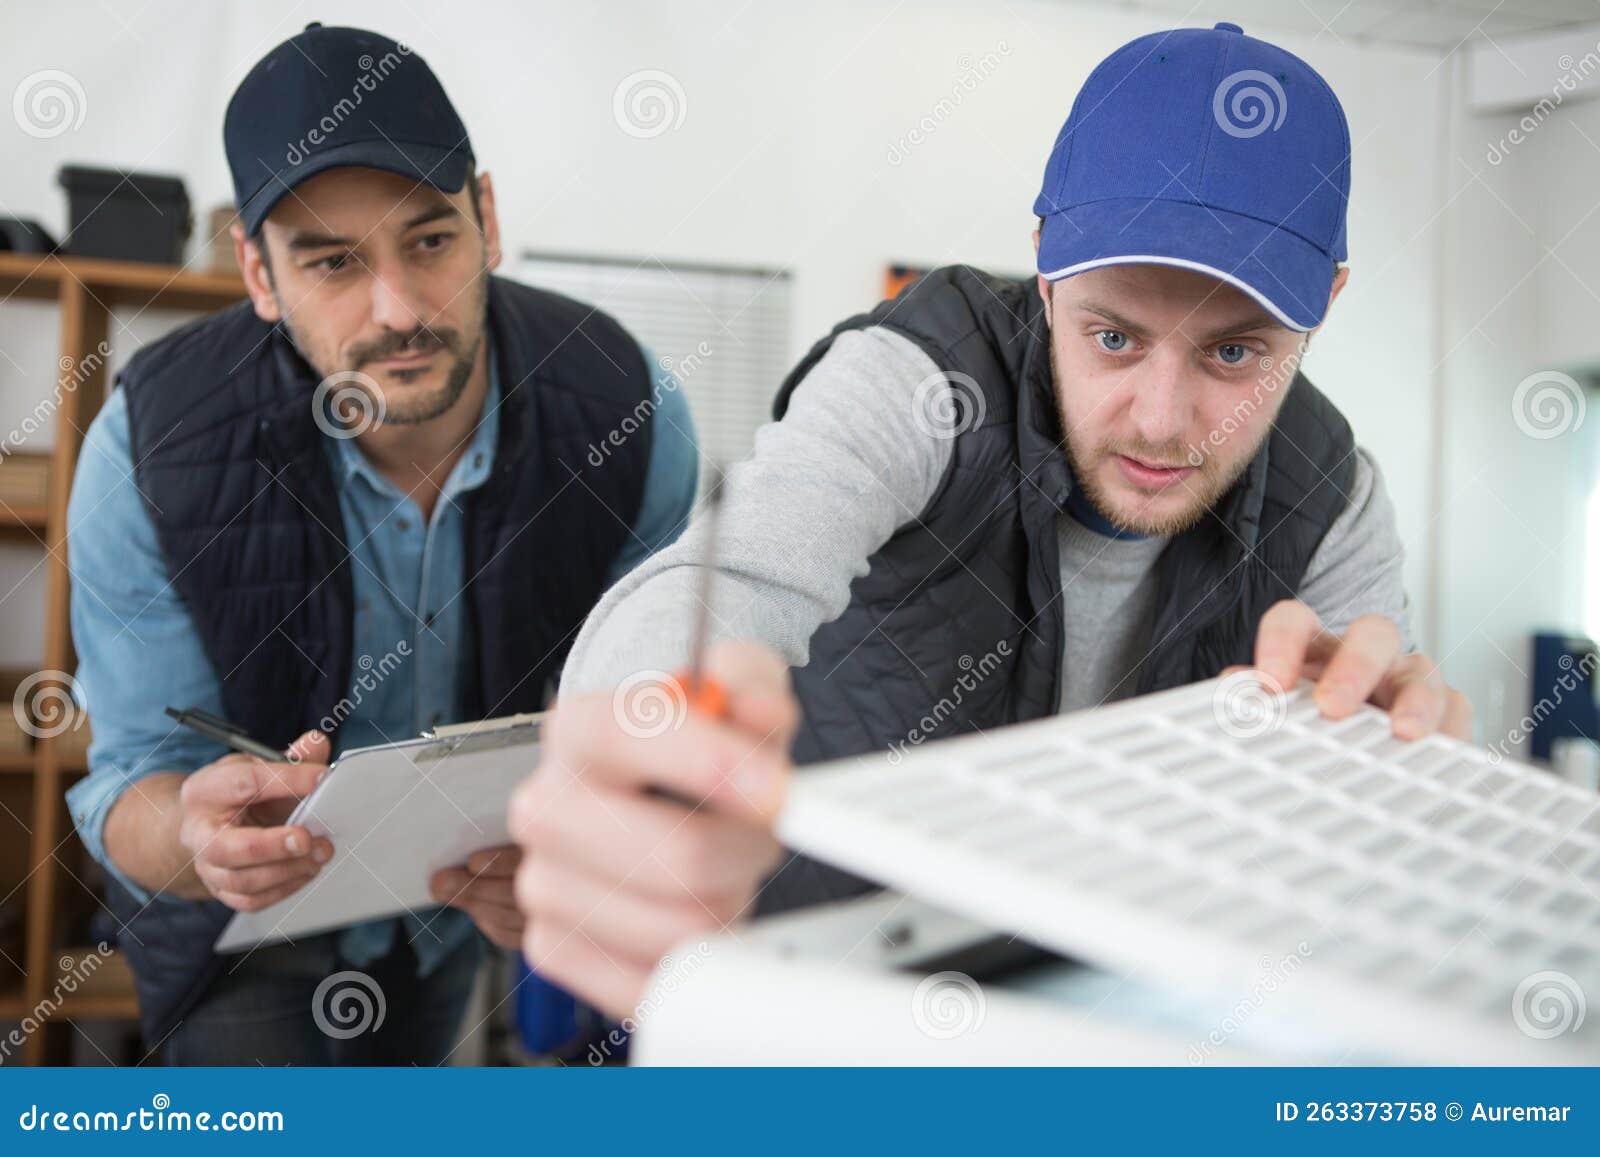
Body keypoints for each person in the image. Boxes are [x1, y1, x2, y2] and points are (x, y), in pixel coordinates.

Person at [509, 21, 1473, 1022]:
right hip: (813, 1000)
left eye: (1233, 356)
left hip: (1085, 1024)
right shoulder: (923, 380)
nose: (1159, 417)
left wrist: (1384, 777)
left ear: (1327, 303)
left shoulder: (1333, 495)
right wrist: (639, 736)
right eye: (1112, 336)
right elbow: (730, 575)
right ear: (1044, 268)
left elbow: (1376, 801)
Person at [65, 23, 698, 1064]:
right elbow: (133, 773)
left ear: (486, 217)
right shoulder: (149, 444)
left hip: (468, 923)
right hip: (235, 945)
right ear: (259, 276)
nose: (399, 308)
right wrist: (192, 833)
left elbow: (644, 727)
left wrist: (587, 848)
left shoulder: (630, 412)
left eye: (431, 240)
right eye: (332, 263)